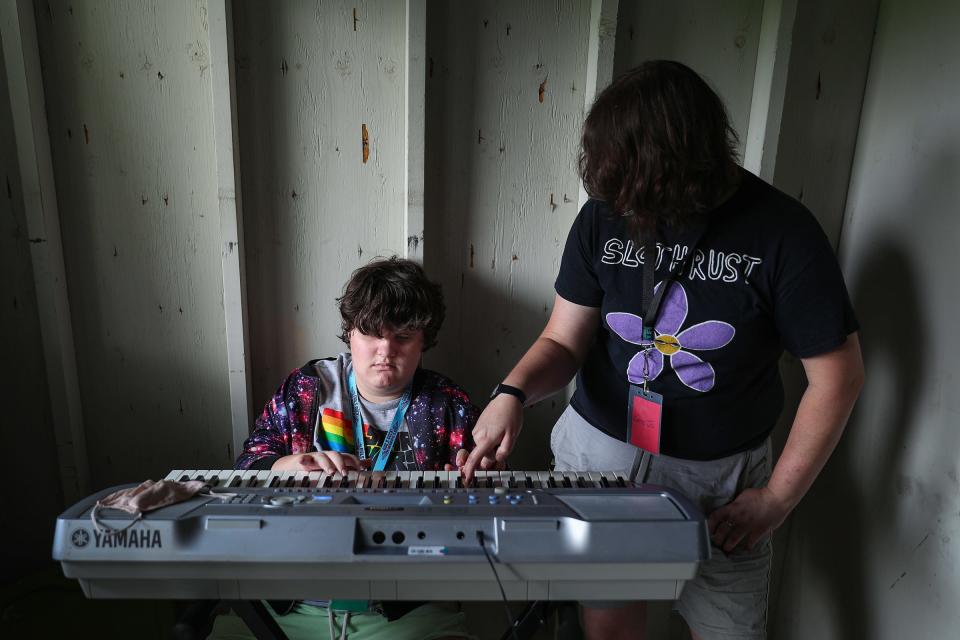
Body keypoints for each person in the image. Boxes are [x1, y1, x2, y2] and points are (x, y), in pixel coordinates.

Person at [463, 60, 864, 640]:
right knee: (608, 629)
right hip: (601, 458)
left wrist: (777, 499)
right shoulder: (604, 213)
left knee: (729, 631)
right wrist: (512, 393)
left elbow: (838, 377)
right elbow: (562, 338)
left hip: (719, 482)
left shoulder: (784, 233)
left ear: (688, 165)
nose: (625, 208)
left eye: (639, 192)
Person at [209, 256, 477, 640]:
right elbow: (245, 468)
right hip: (288, 605)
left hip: (405, 611)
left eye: (402, 337)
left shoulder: (449, 404)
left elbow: (481, 508)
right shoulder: (307, 387)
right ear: (350, 332)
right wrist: (286, 465)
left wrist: (469, 486)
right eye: (371, 333)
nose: (385, 350)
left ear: (424, 340)